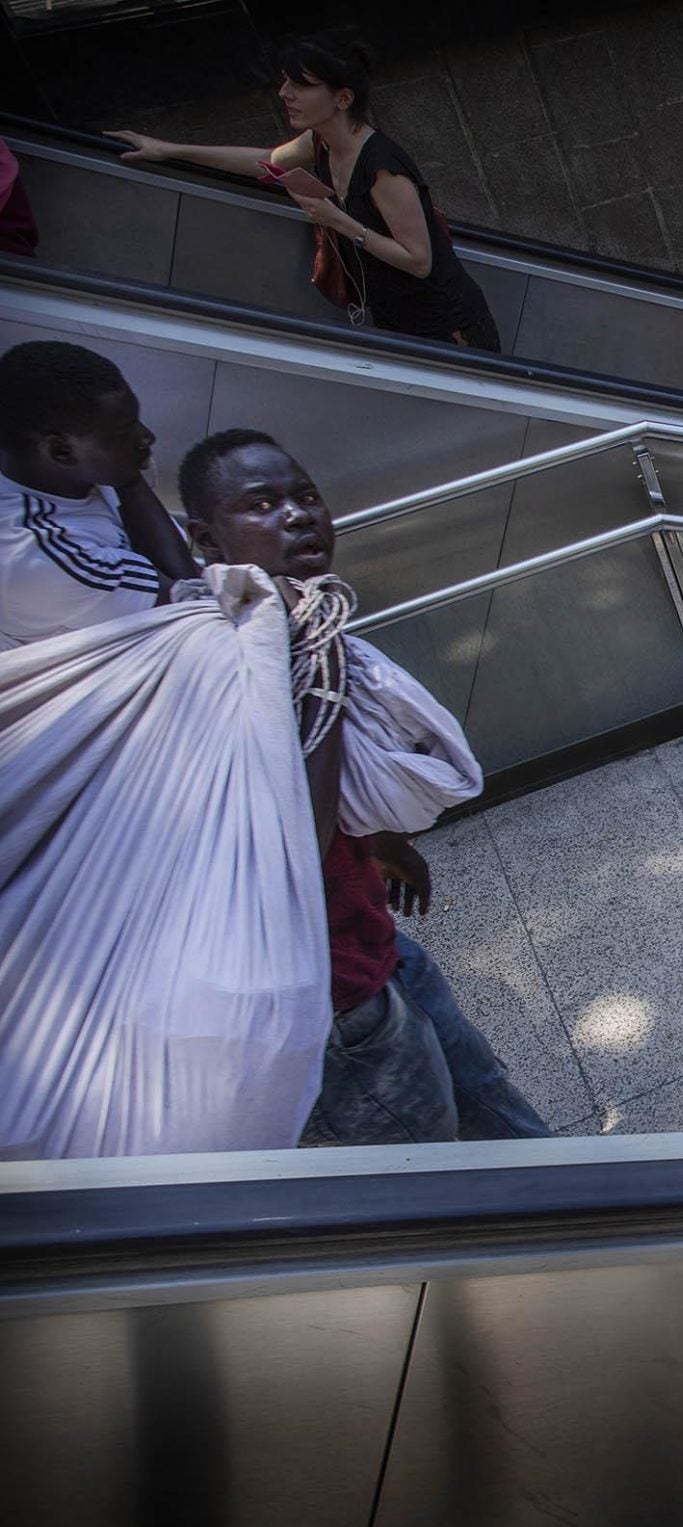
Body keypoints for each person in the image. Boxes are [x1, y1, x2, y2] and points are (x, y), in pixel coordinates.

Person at [178, 427, 550, 1144]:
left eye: (306, 495)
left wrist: (380, 837)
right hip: (333, 1002)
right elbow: (290, 839)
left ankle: (600, 1212)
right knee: (427, 1163)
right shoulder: (226, 660)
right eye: (262, 504)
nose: (297, 515)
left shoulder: (294, 626)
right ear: (206, 537)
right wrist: (322, 676)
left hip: (374, 945)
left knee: (487, 1096)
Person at [109, 34, 502, 351]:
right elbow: (266, 160)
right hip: (396, 317)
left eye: (299, 85)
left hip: (450, 330)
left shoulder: (384, 169)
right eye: (285, 81)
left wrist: (338, 220)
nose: (284, 93)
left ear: (343, 98)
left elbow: (419, 261)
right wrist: (169, 150)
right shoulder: (320, 142)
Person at [0, 341, 190, 648]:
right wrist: (128, 476)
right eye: (124, 431)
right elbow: (190, 601)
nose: (147, 437)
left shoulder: (81, 472)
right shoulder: (37, 558)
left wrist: (125, 468)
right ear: (60, 451)